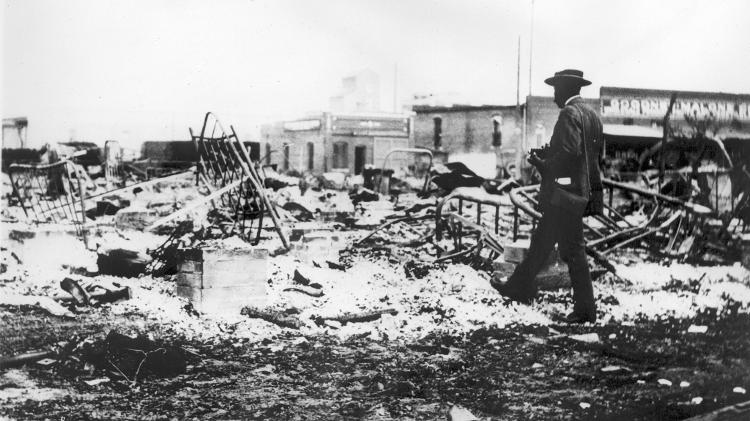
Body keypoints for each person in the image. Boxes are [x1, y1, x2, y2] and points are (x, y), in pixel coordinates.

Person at [494, 69, 604, 324]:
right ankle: (518, 287)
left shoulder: (568, 114)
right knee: (542, 242)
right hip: (580, 193)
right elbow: (591, 156)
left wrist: (542, 163)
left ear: (564, 89)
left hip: (564, 195)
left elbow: (568, 154)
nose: (554, 95)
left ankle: (585, 311)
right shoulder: (592, 115)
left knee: (572, 250)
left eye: (556, 89)